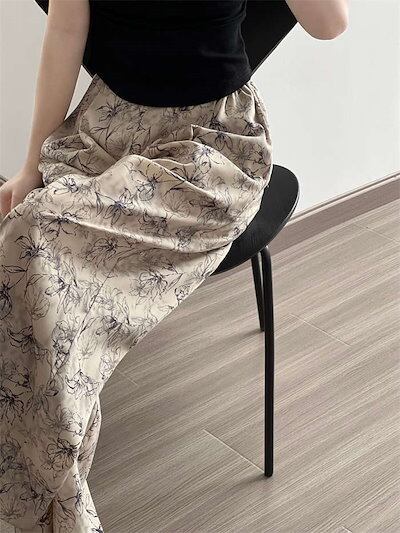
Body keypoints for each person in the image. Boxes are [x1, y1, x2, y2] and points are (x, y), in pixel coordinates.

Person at [0, 1, 348, 531]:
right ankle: (46, 496)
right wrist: (31, 165)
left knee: (32, 251)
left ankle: (42, 506)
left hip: (208, 150)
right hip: (107, 132)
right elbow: (66, 29)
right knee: (23, 260)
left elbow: (330, 23)